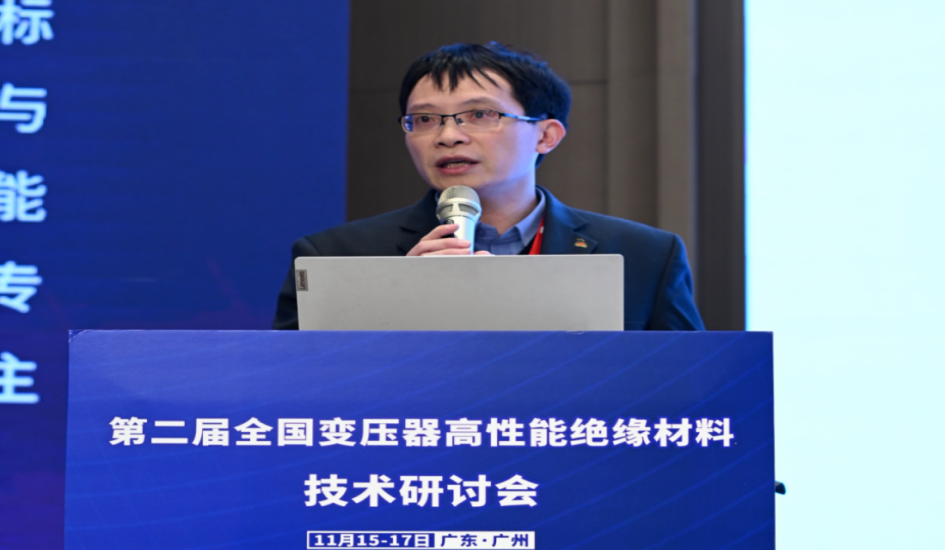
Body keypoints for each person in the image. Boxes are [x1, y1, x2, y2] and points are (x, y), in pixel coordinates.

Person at [273, 42, 704, 331]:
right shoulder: (334, 256)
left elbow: (690, 389)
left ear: (546, 135)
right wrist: (395, 302)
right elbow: (294, 393)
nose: (448, 136)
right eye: (424, 119)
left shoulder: (644, 255)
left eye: (479, 115)